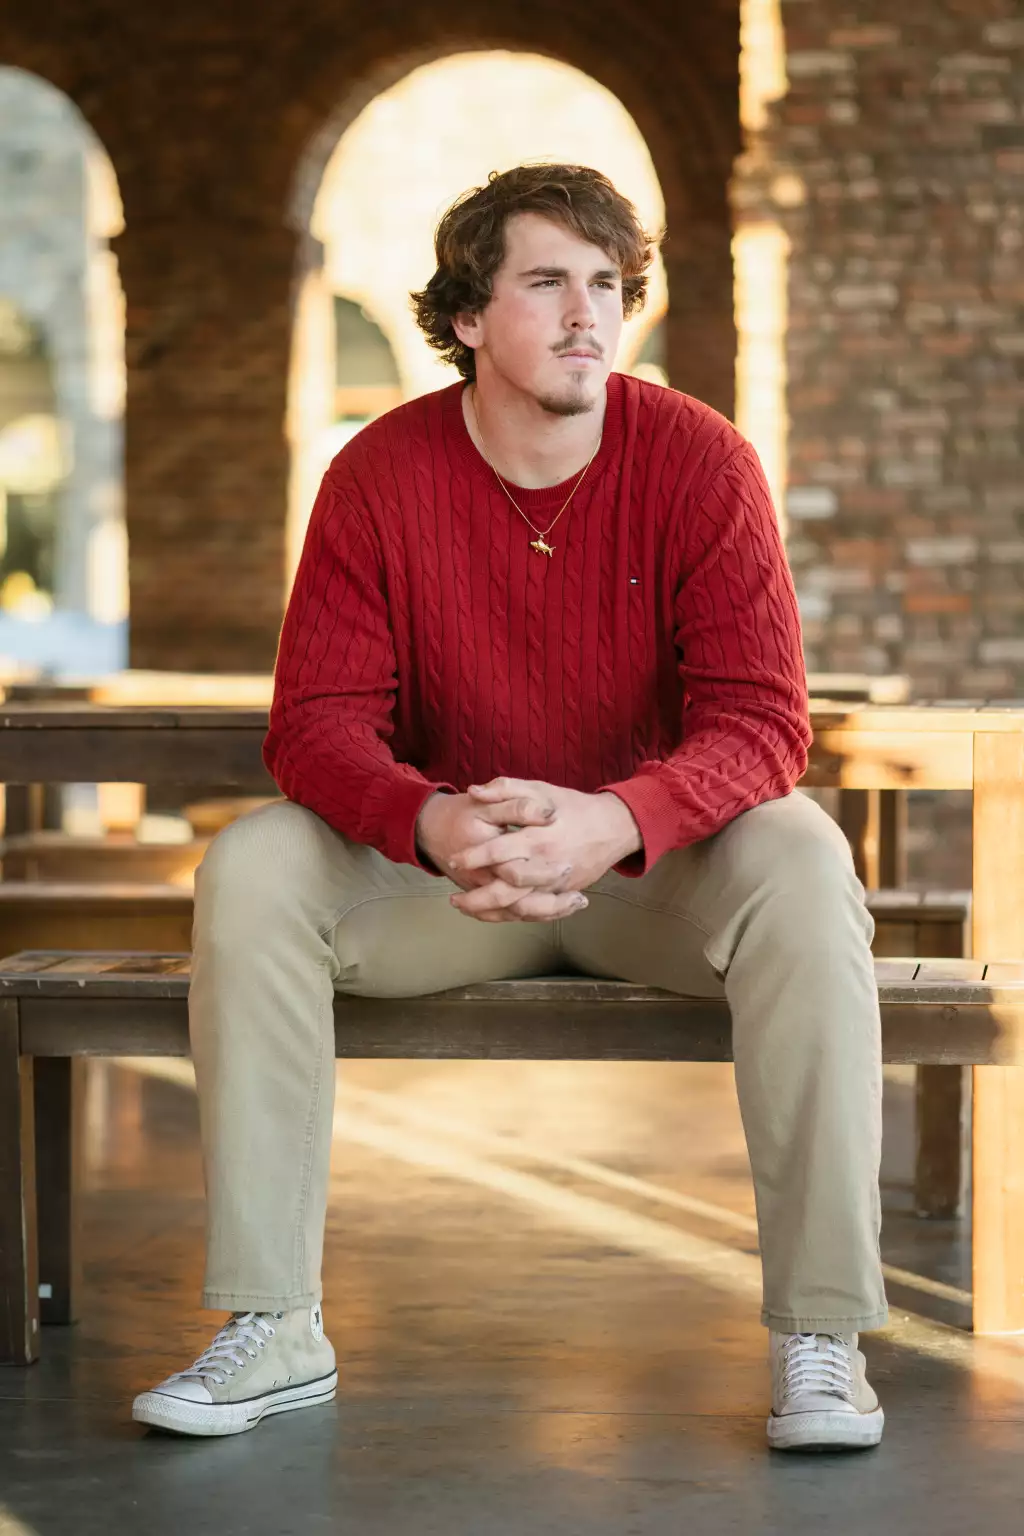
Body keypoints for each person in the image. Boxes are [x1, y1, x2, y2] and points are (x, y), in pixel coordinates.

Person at [132, 164, 886, 1449]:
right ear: (470, 317)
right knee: (254, 865)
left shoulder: (701, 461)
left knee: (804, 855)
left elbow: (765, 724)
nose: (588, 312)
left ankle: (821, 1336)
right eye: (548, 282)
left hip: (653, 885)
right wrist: (431, 822)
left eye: (608, 284)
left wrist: (614, 819)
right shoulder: (379, 474)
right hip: (448, 887)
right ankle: (273, 1323)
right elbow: (313, 725)